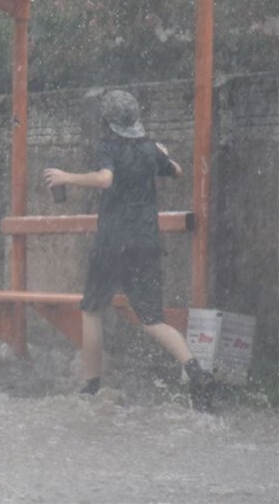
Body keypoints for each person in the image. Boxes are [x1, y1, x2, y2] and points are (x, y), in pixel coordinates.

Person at [43, 89, 216, 410]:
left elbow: (106, 179)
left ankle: (92, 386)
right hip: (146, 244)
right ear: (135, 119)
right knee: (152, 319)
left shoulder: (108, 146)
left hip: (112, 244)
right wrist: (161, 152)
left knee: (92, 310)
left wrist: (67, 176)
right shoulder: (149, 149)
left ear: (106, 121)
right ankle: (197, 372)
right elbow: (177, 171)